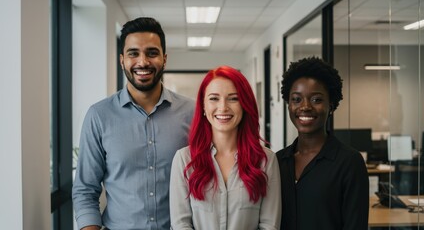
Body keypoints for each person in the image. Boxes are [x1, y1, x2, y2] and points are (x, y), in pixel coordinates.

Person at [72, 17, 194, 230]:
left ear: (164, 59)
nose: (143, 62)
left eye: (152, 53)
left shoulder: (191, 113)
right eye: (133, 53)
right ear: (122, 60)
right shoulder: (99, 116)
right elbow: (85, 189)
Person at [169, 66, 281, 230]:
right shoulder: (184, 159)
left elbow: (269, 225)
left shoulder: (266, 160)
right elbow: (181, 224)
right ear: (203, 106)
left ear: (244, 105)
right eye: (214, 98)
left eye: (233, 99)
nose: (223, 107)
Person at [276, 56, 369, 230]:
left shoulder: (349, 162)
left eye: (316, 100)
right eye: (296, 99)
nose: (305, 107)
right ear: (289, 105)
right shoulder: (278, 161)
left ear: (331, 105)